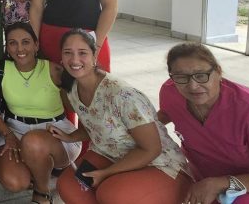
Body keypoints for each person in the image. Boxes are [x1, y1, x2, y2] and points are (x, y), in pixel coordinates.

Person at [53, 29, 190, 204]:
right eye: (68, 53)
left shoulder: (122, 95)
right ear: (61, 58)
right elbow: (95, 126)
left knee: (111, 195)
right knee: (68, 185)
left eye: (82, 53)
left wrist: (107, 173)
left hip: (158, 164)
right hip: (109, 154)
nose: (74, 59)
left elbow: (151, 149)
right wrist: (69, 136)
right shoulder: (71, 89)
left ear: (95, 55)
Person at [158, 43, 249, 204]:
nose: (193, 86)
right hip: (201, 177)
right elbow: (163, 115)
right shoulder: (171, 92)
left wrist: (221, 183)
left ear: (218, 72)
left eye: (201, 75)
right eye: (181, 77)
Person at [0, 22, 81, 204]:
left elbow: (78, 108)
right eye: (12, 43)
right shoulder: (0, 68)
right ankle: (40, 170)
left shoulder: (54, 70)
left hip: (55, 131)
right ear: (7, 47)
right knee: (14, 182)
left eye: (25, 42)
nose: (19, 48)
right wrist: (7, 133)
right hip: (15, 129)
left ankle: (42, 192)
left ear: (36, 45)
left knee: (33, 142)